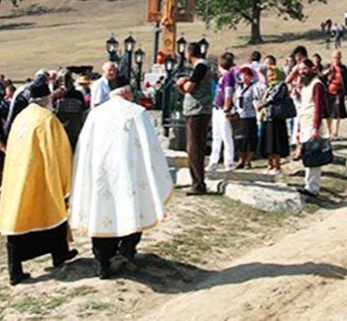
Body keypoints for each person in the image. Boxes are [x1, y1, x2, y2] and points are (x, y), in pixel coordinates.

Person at [71, 86, 173, 278]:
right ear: (126, 93)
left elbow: (84, 146)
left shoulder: (96, 113)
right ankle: (127, 249)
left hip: (101, 173)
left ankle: (102, 262)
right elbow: (151, 147)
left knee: (101, 210)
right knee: (133, 208)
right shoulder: (137, 112)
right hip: (129, 174)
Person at [0, 76, 76, 285]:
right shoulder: (47, 119)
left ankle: (17, 268)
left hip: (17, 177)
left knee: (19, 220)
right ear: (47, 99)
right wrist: (65, 178)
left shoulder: (21, 117)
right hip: (41, 176)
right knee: (52, 212)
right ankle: (59, 254)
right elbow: (59, 150)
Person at [175, 42, 213, 196]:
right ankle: (196, 181)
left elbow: (189, 88)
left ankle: (198, 184)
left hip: (198, 110)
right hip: (196, 110)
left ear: (189, 53)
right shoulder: (199, 67)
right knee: (194, 147)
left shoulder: (200, 67)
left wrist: (182, 83)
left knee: (194, 148)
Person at [295, 58, 326, 198]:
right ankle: (309, 185)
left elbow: (318, 107)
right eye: (300, 69)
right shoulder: (305, 85)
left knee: (314, 157)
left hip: (313, 125)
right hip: (305, 123)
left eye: (304, 69)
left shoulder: (317, 84)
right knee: (307, 156)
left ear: (312, 68)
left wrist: (315, 127)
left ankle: (313, 188)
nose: (302, 72)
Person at [209, 53, 237, 173]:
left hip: (223, 109)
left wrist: (227, 107)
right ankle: (213, 160)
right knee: (216, 136)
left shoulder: (228, 76)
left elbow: (228, 92)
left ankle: (228, 162)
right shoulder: (223, 76)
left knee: (226, 136)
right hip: (216, 108)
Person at [257, 79, 290, 177]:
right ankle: (270, 165)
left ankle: (277, 167)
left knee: (276, 144)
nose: (271, 77)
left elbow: (274, 97)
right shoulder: (269, 87)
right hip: (266, 118)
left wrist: (262, 104)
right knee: (268, 144)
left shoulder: (281, 85)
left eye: (272, 74)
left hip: (277, 118)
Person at [234, 66, 261, 169]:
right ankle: (241, 159)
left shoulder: (253, 88)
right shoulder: (238, 87)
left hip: (250, 116)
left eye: (247, 75)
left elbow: (256, 100)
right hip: (239, 115)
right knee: (240, 139)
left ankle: (248, 161)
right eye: (242, 75)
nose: (244, 77)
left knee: (250, 139)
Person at [323, 49, 347, 136]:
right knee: (328, 112)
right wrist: (328, 71)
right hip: (328, 91)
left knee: (337, 111)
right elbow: (321, 76)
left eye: (338, 57)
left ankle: (335, 132)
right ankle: (328, 131)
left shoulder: (343, 68)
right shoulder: (328, 66)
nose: (336, 59)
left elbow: (346, 81)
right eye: (334, 57)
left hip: (339, 91)